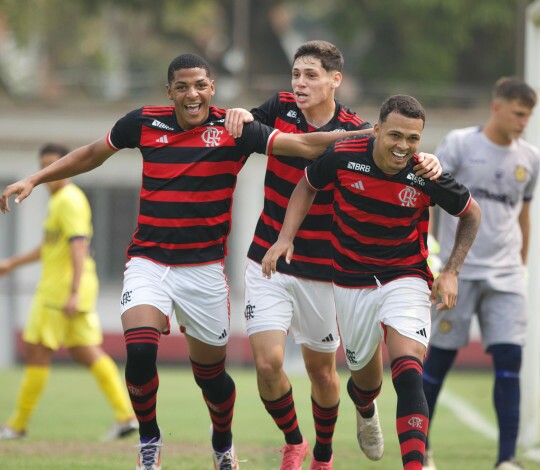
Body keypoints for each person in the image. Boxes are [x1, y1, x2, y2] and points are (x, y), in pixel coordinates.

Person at [0, 54, 376, 470]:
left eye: (200, 85)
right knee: (140, 351)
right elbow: (93, 153)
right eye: (182, 87)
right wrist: (36, 178)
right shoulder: (143, 122)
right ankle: (149, 441)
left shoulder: (234, 130)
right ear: (170, 92)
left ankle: (222, 444)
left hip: (204, 270)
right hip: (149, 262)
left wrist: (366, 136)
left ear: (212, 88)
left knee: (210, 376)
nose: (191, 94)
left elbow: (303, 145)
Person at [225, 40, 442, 470]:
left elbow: (398, 157)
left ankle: (326, 453)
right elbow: (248, 131)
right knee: (268, 364)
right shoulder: (279, 106)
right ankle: (295, 442)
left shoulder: (361, 130)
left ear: (334, 80)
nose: (299, 83)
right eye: (296, 74)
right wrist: (240, 114)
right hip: (267, 255)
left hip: (325, 269)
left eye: (311, 75)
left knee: (324, 373)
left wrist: (425, 158)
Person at [261, 94, 481, 469]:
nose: (404, 147)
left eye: (413, 139)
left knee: (408, 365)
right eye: (395, 135)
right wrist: (285, 238)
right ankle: (365, 408)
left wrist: (451, 271)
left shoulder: (427, 174)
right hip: (350, 281)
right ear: (377, 129)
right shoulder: (344, 155)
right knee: (365, 383)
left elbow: (471, 214)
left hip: (406, 276)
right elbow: (307, 185)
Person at [422, 77, 539, 470]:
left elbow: (522, 216)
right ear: (497, 108)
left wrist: (521, 265)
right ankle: (420, 447)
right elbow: (430, 200)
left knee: (510, 361)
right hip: (459, 271)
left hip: (506, 276)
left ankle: (506, 459)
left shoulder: (530, 159)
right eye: (519, 114)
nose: (524, 122)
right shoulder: (459, 144)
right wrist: (432, 257)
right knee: (439, 360)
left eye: (529, 116)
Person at [0, 143, 137, 442]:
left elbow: (78, 246)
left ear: (65, 167)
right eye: (46, 166)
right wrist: (12, 263)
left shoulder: (68, 200)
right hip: (74, 288)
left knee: (36, 351)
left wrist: (73, 292)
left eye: (56, 166)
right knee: (85, 351)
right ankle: (126, 417)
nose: (52, 174)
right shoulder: (61, 200)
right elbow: (52, 246)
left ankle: (17, 425)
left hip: (60, 291)